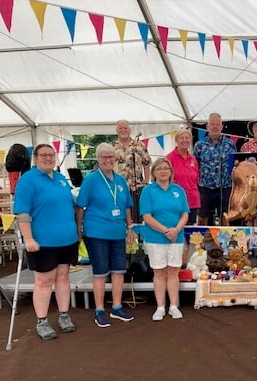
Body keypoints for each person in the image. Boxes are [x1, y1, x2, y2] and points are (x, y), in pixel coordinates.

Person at [13, 144, 78, 341]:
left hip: (67, 238)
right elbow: (22, 213)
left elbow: (69, 204)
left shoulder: (60, 179)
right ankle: (42, 320)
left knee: (63, 277)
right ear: (36, 158)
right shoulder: (27, 180)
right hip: (43, 241)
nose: (48, 158)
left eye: (51, 155)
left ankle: (64, 315)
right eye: (44, 155)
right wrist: (29, 238)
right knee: (44, 281)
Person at [76, 143, 135, 328]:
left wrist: (130, 227)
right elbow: (80, 206)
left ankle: (117, 307)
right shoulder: (91, 180)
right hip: (97, 231)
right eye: (104, 157)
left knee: (119, 271)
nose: (108, 160)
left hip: (117, 231)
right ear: (98, 160)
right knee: (100, 272)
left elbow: (126, 206)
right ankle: (99, 310)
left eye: (111, 157)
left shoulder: (120, 180)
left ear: (115, 158)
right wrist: (79, 229)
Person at [139, 158, 189, 321]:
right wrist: (165, 230)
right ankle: (160, 307)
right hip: (155, 238)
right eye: (159, 168)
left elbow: (185, 214)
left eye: (166, 168)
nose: (163, 171)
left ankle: (174, 306)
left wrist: (176, 229)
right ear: (153, 172)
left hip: (176, 237)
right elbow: (146, 215)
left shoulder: (179, 190)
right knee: (159, 272)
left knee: (173, 272)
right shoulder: (148, 191)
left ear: (171, 171)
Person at [193, 113, 236, 225]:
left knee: (225, 217)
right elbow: (195, 164)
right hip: (204, 187)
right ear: (207, 126)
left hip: (225, 187)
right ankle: (201, 240)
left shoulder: (230, 144)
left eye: (217, 124)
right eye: (212, 124)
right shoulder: (200, 145)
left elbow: (235, 164)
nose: (215, 127)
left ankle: (224, 241)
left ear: (221, 127)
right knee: (202, 217)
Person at [112, 119, 152, 222]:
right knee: (121, 216)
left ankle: (137, 237)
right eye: (120, 128)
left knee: (137, 217)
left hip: (137, 188)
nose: (123, 130)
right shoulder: (112, 147)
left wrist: (146, 181)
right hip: (118, 187)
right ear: (116, 130)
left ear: (130, 130)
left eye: (125, 128)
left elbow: (147, 164)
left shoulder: (139, 145)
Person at [166, 129, 200, 225]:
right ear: (176, 141)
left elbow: (196, 179)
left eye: (187, 138)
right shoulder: (170, 158)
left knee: (191, 233)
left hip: (192, 200)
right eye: (181, 138)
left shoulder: (193, 159)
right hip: (176, 200)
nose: (184, 140)